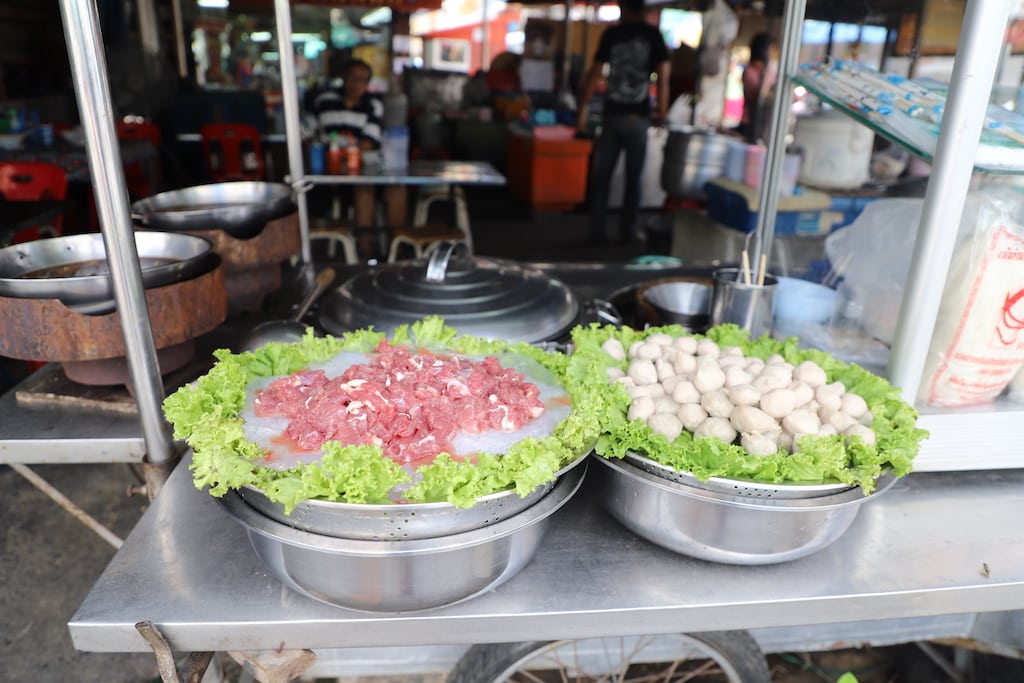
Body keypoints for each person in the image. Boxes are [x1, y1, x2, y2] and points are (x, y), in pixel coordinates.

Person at [575, 0, 670, 245]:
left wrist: (582, 110)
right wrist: (662, 111)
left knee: (603, 176)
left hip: (612, 116)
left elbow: (594, 73)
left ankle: (596, 231)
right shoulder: (653, 35)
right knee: (633, 177)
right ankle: (628, 231)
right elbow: (663, 78)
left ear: (625, 9)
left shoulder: (613, 34)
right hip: (637, 117)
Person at [313, 58, 406, 250]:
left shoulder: (373, 106)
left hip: (368, 171)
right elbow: (316, 136)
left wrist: (339, 142)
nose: (357, 84)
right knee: (364, 192)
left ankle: (394, 251)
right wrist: (346, 145)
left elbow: (368, 142)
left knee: (397, 192)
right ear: (344, 78)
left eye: (363, 80)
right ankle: (365, 254)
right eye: (354, 78)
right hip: (335, 175)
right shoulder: (324, 101)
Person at [737, 32, 774, 143]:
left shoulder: (770, 70)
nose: (772, 53)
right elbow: (759, 96)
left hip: (766, 123)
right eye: (771, 49)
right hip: (750, 123)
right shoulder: (750, 71)